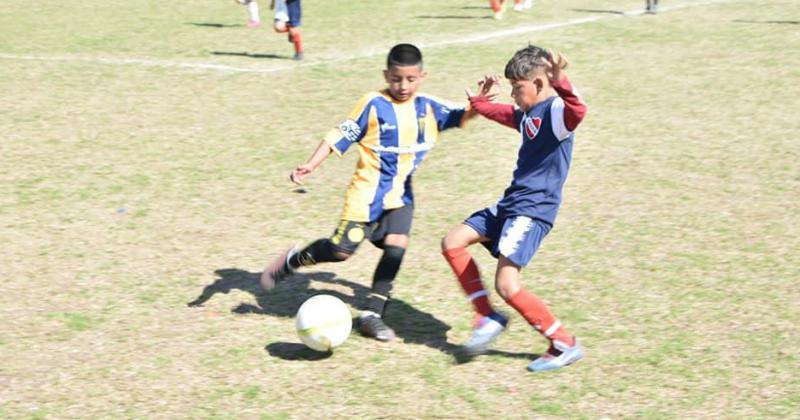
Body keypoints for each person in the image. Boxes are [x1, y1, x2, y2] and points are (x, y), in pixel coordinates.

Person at [261, 44, 477, 342]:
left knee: (397, 246)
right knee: (341, 252)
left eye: (411, 79)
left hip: (401, 194)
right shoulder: (373, 105)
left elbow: (461, 116)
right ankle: (292, 261)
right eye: (396, 79)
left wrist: (479, 104)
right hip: (366, 194)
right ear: (386, 75)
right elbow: (340, 134)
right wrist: (310, 164)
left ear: (422, 76)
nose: (403, 86)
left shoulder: (428, 106)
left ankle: (372, 314)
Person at [441, 45, 587, 372]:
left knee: (507, 285)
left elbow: (578, 111)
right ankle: (486, 316)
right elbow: (505, 115)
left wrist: (561, 81)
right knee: (453, 241)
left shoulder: (556, 113)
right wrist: (480, 103)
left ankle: (564, 342)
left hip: (533, 210)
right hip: (511, 203)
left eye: (517, 88)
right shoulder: (528, 114)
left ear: (539, 83)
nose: (514, 95)